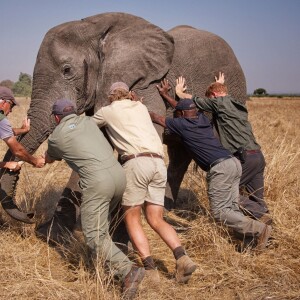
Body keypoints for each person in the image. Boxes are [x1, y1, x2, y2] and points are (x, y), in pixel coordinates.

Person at [92, 82, 196, 285]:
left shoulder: (107, 111)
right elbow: (137, 104)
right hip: (158, 163)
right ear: (129, 95)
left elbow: (88, 126)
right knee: (156, 218)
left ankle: (150, 271)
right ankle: (182, 257)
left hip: (135, 162)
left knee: (132, 218)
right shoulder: (140, 106)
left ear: (111, 96)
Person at [152, 80, 272, 250]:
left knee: (220, 211)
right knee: (231, 206)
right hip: (234, 162)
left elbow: (158, 118)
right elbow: (184, 108)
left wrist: (138, 107)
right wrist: (168, 96)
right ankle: (249, 240)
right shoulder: (201, 119)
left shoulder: (182, 125)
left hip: (221, 167)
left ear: (181, 114)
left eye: (178, 113)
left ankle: (260, 229)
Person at [44, 98, 144, 299]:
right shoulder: (89, 121)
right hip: (118, 176)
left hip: (98, 182)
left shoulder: (56, 136)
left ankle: (127, 270)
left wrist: (37, 160)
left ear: (56, 118)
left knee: (93, 234)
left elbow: (49, 157)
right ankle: (101, 268)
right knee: (102, 227)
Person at [175, 74, 271, 225]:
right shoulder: (236, 104)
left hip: (245, 158)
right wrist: (218, 84)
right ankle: (266, 232)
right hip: (258, 157)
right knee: (256, 199)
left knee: (228, 193)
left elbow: (195, 100)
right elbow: (221, 94)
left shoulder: (219, 103)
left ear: (214, 96)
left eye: (211, 98)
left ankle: (260, 218)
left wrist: (180, 93)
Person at [0, 86, 45, 169]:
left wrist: (23, 130)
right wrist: (35, 161)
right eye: (11, 105)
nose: (11, 110)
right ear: (4, 103)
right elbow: (18, 151)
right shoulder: (1, 119)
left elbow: (6, 131)